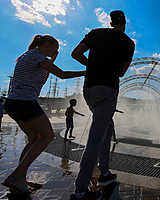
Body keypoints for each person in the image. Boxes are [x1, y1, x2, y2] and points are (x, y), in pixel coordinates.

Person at [1, 34, 85, 194]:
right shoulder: (36, 56)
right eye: (56, 48)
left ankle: (20, 179)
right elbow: (62, 74)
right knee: (47, 136)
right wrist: (85, 72)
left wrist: (52, 59)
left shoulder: (31, 56)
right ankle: (16, 176)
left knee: (34, 138)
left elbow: (42, 74)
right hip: (24, 101)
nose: (57, 51)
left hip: (14, 102)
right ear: (46, 45)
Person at [70, 10, 135, 200]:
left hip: (89, 89)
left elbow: (75, 53)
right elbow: (122, 72)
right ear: (124, 23)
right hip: (108, 89)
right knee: (95, 137)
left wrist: (91, 65)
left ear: (111, 21)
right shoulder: (129, 43)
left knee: (107, 125)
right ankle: (81, 190)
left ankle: (105, 172)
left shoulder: (96, 33)